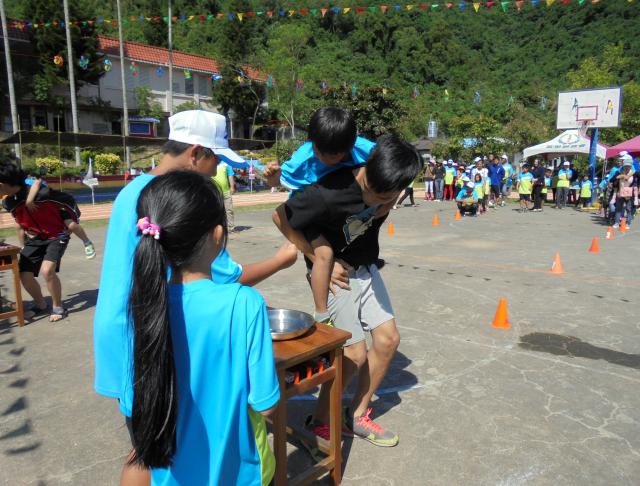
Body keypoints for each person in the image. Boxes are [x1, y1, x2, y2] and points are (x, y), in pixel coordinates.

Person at [93, 110, 297, 486]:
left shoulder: (136, 194)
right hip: (151, 340)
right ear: (196, 153)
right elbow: (227, 280)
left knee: (149, 450)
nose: (216, 169)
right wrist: (281, 260)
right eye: (215, 159)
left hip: (132, 336)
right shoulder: (186, 209)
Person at [126, 171, 279, 485]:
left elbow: (133, 402)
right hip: (238, 475)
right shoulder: (244, 302)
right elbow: (266, 405)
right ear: (218, 235)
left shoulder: (144, 304)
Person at [272, 134, 421, 449]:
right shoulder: (329, 192)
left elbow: (383, 202)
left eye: (386, 196)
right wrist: (316, 257)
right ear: (367, 168)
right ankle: (320, 420)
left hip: (365, 268)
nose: (375, 201)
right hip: (335, 276)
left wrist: (386, 202)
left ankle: (356, 415)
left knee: (388, 340)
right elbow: (280, 216)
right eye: (371, 191)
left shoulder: (389, 192)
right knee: (353, 354)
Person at [0, 161, 78, 322]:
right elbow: (19, 222)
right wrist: (25, 240)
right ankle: (40, 304)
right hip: (34, 239)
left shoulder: (42, 193)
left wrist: (72, 223)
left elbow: (68, 201)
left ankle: (58, 307)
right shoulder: (8, 202)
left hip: (56, 235)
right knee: (24, 274)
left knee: (47, 271)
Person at [264, 106, 374, 192]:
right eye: (316, 151)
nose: (320, 157)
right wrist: (273, 178)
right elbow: (276, 182)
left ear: (350, 147)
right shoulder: (302, 159)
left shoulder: (367, 150)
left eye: (332, 156)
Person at [23, 172, 96, 259]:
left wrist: (29, 200)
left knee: (71, 225)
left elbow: (38, 182)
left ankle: (87, 242)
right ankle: (25, 246)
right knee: (21, 225)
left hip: (61, 205)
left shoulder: (28, 182)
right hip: (45, 209)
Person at [212, 159, 236, 231]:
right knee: (216, 210)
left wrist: (232, 187)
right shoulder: (211, 161)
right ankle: (216, 227)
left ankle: (231, 228)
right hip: (214, 192)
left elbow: (230, 175)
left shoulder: (226, 163)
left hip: (226, 192)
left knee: (229, 210)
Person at [613, 158, 635, 228]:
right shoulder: (619, 171)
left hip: (629, 192)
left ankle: (628, 223)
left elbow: (636, 181)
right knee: (618, 208)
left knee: (628, 209)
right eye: (625, 166)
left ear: (631, 166)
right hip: (620, 191)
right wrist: (621, 176)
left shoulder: (634, 173)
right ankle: (616, 222)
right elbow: (613, 179)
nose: (627, 167)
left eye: (628, 166)